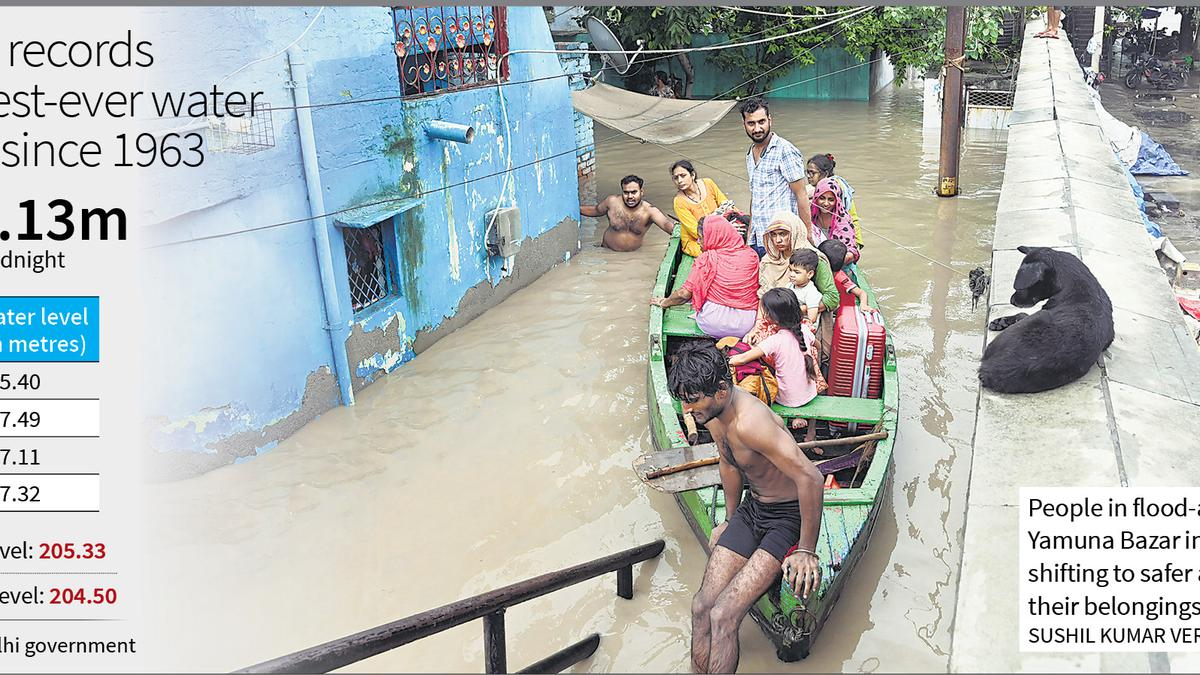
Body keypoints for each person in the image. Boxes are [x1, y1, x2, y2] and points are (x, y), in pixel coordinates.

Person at [669, 341, 824, 674]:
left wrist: (807, 551)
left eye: (694, 400)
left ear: (722, 390)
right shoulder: (712, 415)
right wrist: (729, 519)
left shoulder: (752, 423)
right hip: (753, 508)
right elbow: (728, 464)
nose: (689, 409)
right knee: (702, 607)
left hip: (787, 518)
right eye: (685, 399)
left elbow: (811, 478)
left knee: (724, 614)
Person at [728, 288, 820, 436]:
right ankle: (809, 432)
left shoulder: (775, 340)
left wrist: (726, 360)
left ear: (773, 318)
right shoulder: (804, 329)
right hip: (810, 394)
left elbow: (743, 358)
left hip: (785, 399)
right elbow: (818, 346)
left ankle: (783, 422)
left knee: (763, 367)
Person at [649, 216, 759, 339]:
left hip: (713, 323)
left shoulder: (706, 258)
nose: (698, 242)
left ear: (713, 238)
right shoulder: (752, 256)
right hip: (747, 325)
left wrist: (664, 302)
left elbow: (684, 294)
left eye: (701, 238)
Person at [744, 211, 837, 346]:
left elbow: (832, 298)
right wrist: (758, 325)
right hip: (777, 317)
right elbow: (764, 295)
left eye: (783, 234)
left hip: (806, 318)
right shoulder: (768, 261)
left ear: (795, 232)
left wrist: (801, 309)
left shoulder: (813, 258)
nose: (778, 240)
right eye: (774, 235)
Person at [741, 97, 814, 257]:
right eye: (751, 123)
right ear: (744, 125)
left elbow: (801, 194)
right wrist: (749, 235)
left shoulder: (784, 150)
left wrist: (807, 235)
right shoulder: (750, 153)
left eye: (761, 122)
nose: (757, 128)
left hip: (782, 238)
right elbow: (756, 196)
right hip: (759, 236)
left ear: (770, 120)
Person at [581, 175, 675, 252]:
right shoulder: (612, 202)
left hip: (632, 258)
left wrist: (684, 230)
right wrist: (576, 209)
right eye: (626, 192)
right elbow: (595, 210)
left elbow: (666, 225)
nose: (630, 196)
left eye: (634, 192)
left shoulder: (650, 211)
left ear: (641, 192)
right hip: (606, 252)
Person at [671, 160, 742, 257]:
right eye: (676, 178)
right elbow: (695, 231)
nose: (679, 181)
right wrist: (725, 230)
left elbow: (726, 205)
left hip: (721, 230)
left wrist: (737, 222)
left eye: (683, 176)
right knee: (719, 253)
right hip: (697, 241)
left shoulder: (708, 183)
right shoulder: (679, 202)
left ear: (692, 175)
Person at [806, 153, 863, 250]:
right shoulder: (818, 190)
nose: (808, 176)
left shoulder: (835, 187)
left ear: (826, 174)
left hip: (846, 232)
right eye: (807, 172)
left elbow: (804, 194)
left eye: (813, 173)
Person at [811, 178, 859, 267]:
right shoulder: (809, 214)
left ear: (837, 201)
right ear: (816, 197)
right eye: (822, 198)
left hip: (838, 263)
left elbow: (853, 252)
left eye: (831, 199)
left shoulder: (843, 220)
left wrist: (836, 261)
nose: (825, 203)